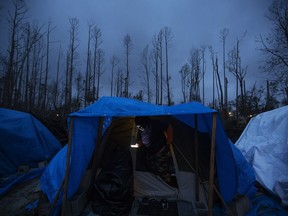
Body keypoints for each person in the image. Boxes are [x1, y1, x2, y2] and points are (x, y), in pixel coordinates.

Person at [135, 116, 172, 184]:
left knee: (162, 170)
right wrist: (139, 144)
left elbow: (168, 127)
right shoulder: (141, 127)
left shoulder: (154, 123)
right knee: (153, 170)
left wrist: (168, 142)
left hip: (160, 150)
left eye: (140, 125)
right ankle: (159, 186)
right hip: (150, 152)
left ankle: (166, 185)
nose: (139, 127)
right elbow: (144, 136)